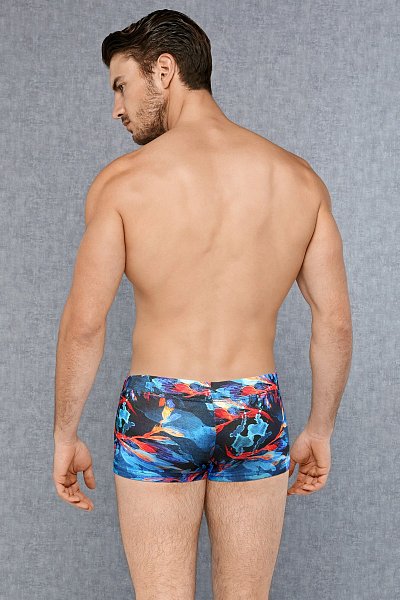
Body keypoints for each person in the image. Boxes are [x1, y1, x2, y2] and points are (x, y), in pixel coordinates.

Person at [52, 8, 353, 599]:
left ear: (164, 71)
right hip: (253, 408)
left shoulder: (122, 184)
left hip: (158, 410)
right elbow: (334, 322)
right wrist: (321, 427)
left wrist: (66, 433)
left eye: (121, 85)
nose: (117, 108)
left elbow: (85, 325)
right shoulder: (298, 180)